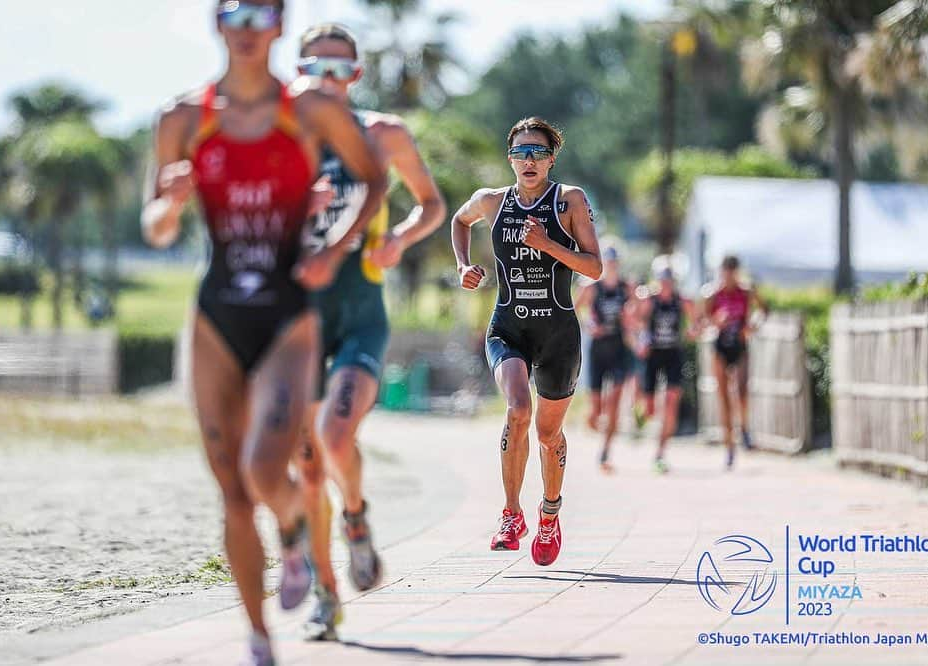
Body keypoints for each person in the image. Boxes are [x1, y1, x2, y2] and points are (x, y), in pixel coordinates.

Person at [141, 3, 386, 663]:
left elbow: (373, 176)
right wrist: (171, 203)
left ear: (279, 24)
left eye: (262, 10)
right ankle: (257, 639)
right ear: (216, 22)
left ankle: (295, 527)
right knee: (230, 489)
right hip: (217, 314)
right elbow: (156, 228)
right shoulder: (182, 117)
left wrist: (334, 249)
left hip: (286, 313)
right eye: (234, 10)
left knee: (262, 469)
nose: (248, 23)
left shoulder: (308, 110)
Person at [293, 24, 446, 641]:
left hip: (359, 310)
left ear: (356, 75)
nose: (329, 78)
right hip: (297, 320)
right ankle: (327, 597)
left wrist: (400, 239)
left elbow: (430, 203)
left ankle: (355, 515)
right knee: (307, 467)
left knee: (335, 435)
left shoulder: (383, 134)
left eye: (340, 68)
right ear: (300, 71)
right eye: (316, 67)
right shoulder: (281, 138)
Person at [451, 117, 602, 566]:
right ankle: (511, 513)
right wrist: (463, 267)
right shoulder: (492, 201)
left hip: (558, 332)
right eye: (521, 152)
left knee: (547, 431)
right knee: (518, 410)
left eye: (538, 152)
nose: (529, 160)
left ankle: (550, 513)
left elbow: (594, 268)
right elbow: (461, 221)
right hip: (509, 327)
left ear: (552, 158)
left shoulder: (568, 201)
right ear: (510, 158)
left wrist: (546, 243)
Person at [702, 255, 768, 469]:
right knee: (724, 399)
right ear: (721, 272)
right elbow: (701, 320)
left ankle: (744, 428)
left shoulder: (747, 291)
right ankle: (729, 448)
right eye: (725, 272)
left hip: (739, 346)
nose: (729, 276)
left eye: (733, 272)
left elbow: (764, 310)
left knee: (741, 391)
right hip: (721, 348)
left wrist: (753, 326)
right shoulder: (712, 294)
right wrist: (715, 321)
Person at [632, 266, 699, 473]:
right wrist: (640, 340)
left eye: (670, 280)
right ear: (658, 281)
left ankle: (661, 451)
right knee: (651, 409)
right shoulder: (649, 301)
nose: (667, 284)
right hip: (653, 356)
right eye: (663, 280)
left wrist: (692, 330)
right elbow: (633, 319)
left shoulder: (682, 301)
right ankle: (641, 414)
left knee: (670, 403)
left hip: (673, 355)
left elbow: (697, 321)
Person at [574, 245, 634, 472]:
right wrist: (590, 324)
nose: (611, 267)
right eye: (607, 262)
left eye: (614, 263)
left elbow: (638, 310)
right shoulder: (592, 288)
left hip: (618, 349)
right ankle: (597, 425)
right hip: (598, 351)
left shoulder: (626, 288)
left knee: (614, 403)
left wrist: (631, 316)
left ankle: (606, 450)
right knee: (596, 412)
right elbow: (574, 310)